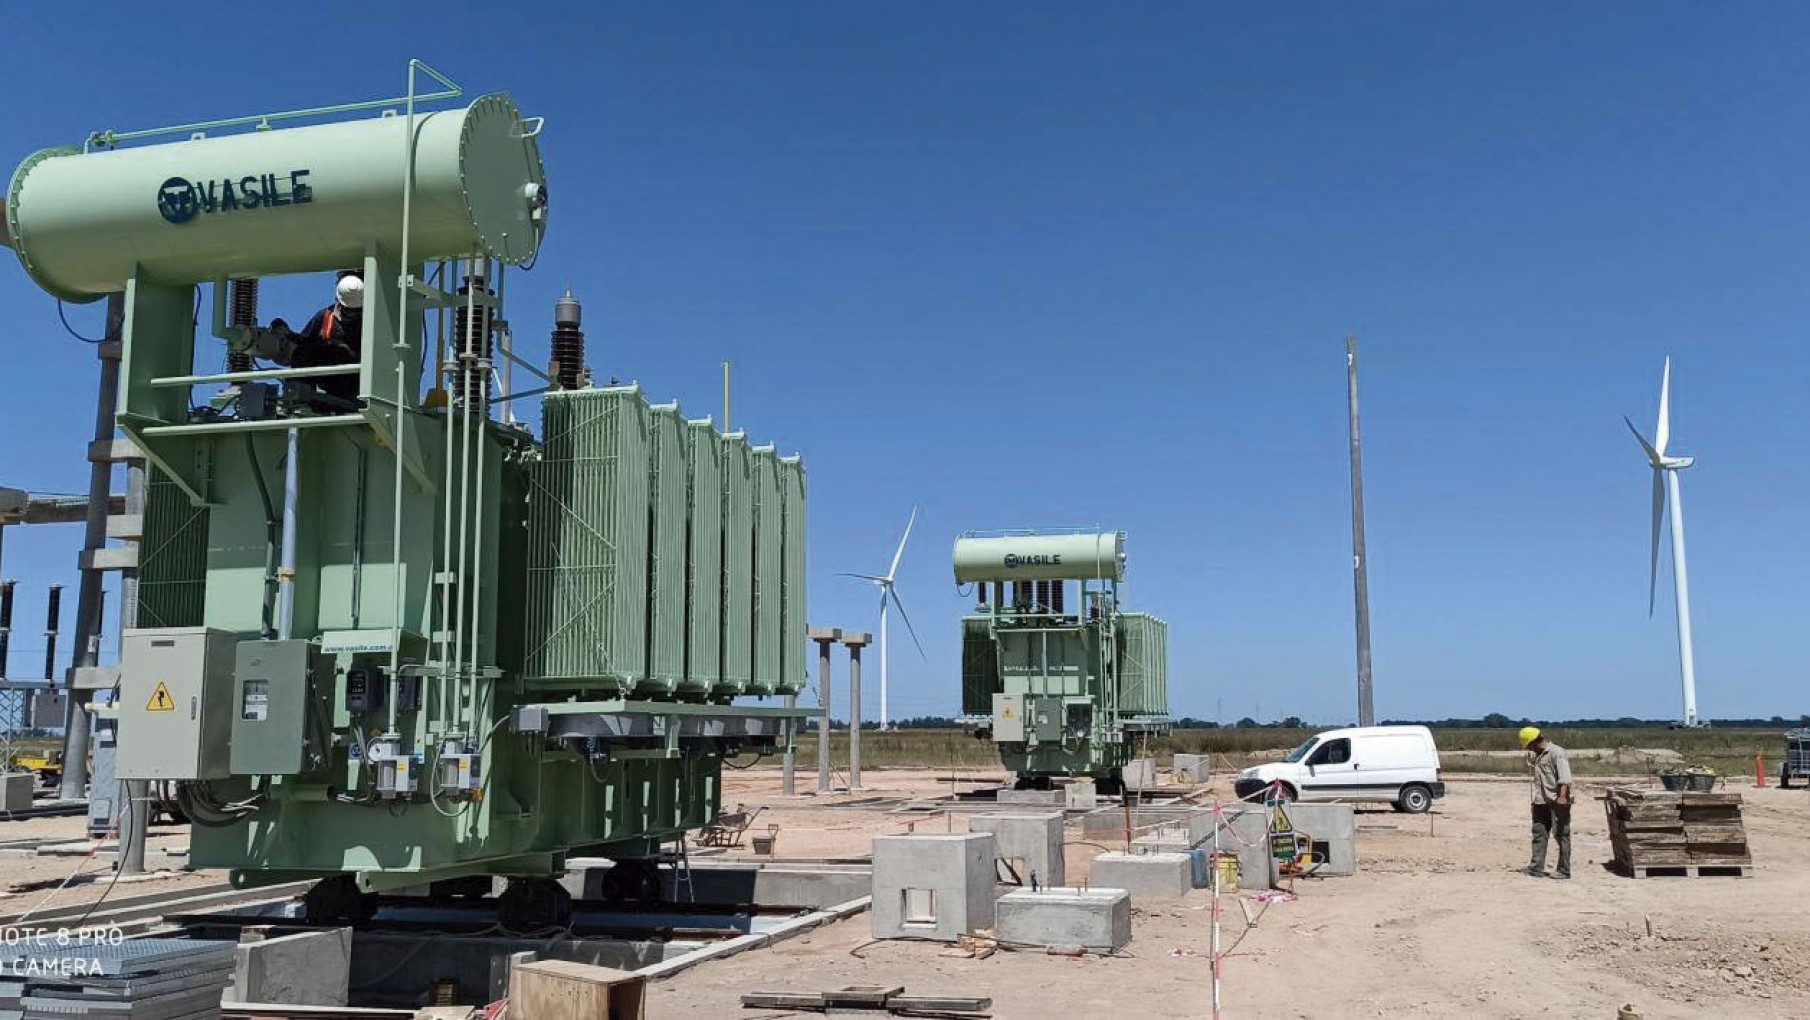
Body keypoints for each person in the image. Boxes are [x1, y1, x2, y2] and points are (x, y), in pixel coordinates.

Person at [285, 271, 365, 406]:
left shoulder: (368, 322)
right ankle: (300, 397)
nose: (351, 315)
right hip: (329, 374)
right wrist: (288, 335)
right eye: (348, 310)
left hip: (353, 380)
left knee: (341, 354)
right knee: (303, 354)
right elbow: (304, 343)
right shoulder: (324, 317)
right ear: (338, 301)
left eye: (355, 311)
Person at [1520, 726, 1573, 880]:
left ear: (1535, 742)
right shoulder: (1538, 755)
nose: (1529, 749)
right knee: (1539, 834)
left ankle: (1564, 870)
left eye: (1529, 746)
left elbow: (1565, 778)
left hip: (1557, 801)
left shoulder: (1557, 753)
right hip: (1541, 801)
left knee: (1561, 834)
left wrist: (1562, 797)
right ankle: (1536, 867)